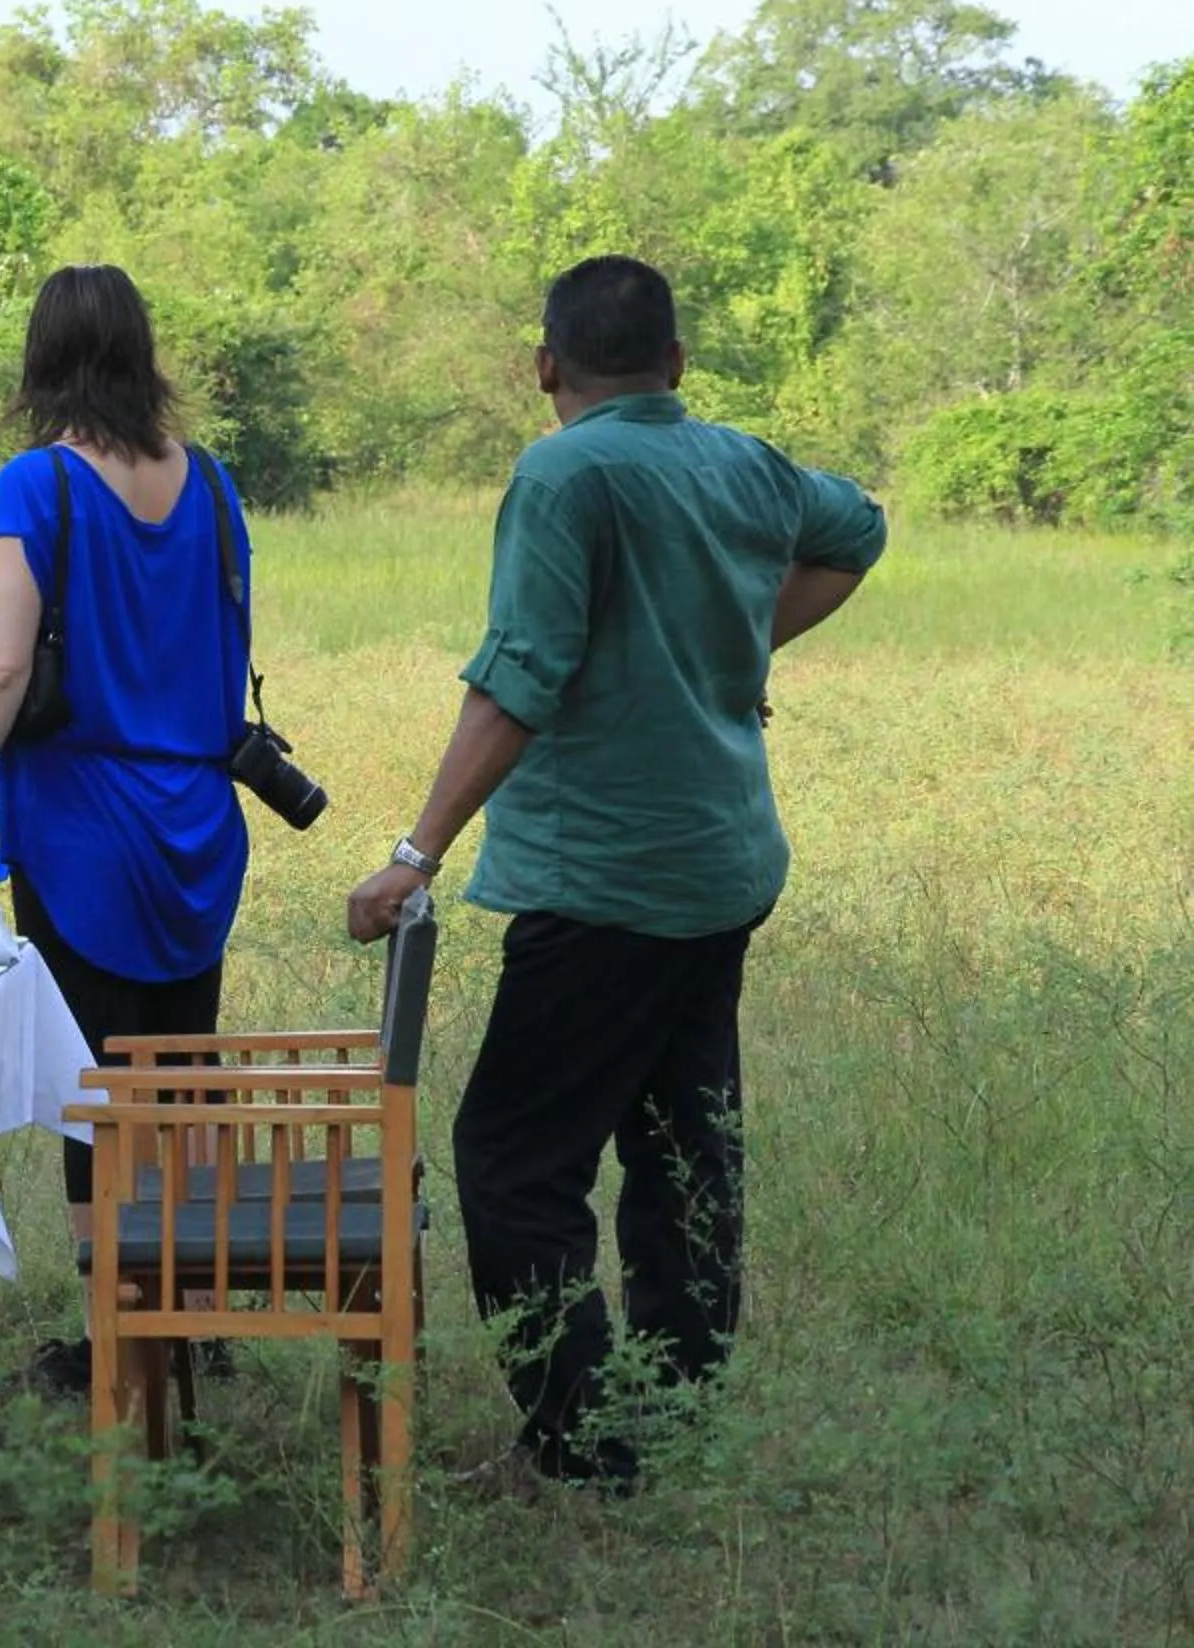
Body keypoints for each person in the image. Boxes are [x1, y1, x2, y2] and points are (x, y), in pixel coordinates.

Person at [345, 253, 886, 1492]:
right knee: (684, 1146)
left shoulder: (563, 472)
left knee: (512, 1160)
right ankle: (675, 1407)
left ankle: (586, 1440)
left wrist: (413, 854)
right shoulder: (740, 460)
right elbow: (859, 527)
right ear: (676, 363)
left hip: (605, 882)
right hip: (722, 863)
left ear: (545, 365)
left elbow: (522, 675)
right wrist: (738, 638)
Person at [0, 262, 254, 1398]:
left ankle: (116, 1333)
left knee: (98, 1087)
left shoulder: (37, 484)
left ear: (44, 361)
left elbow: (1, 664)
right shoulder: (212, 484)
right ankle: (195, 1318)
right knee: (185, 1072)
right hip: (199, 827)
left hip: (82, 831)